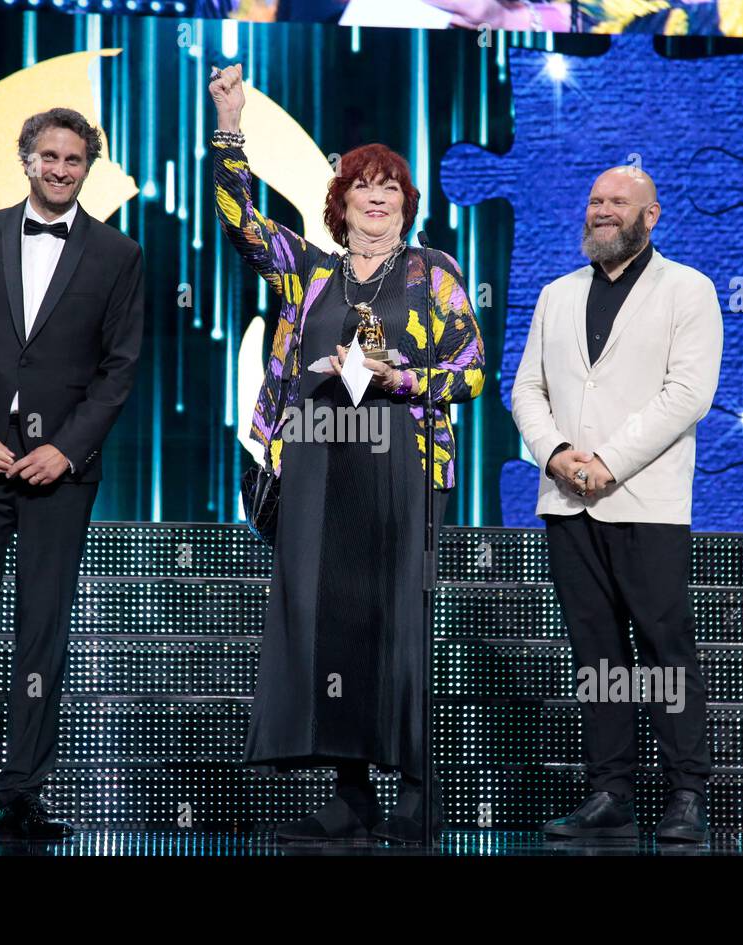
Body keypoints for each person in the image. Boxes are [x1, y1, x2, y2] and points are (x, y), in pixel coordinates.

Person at [209, 64, 485, 843]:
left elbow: (471, 371)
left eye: (390, 187)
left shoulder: (434, 274)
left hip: (403, 467)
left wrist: (402, 376)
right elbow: (238, 220)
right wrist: (230, 123)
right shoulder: (310, 272)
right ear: (340, 202)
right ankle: (351, 791)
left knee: (399, 624)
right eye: (363, 185)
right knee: (332, 625)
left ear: (406, 204)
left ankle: (416, 792)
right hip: (320, 468)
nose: (376, 196)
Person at [0, 107, 145, 840]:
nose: (59, 169)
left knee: (42, 626)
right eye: (48, 155)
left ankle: (23, 789)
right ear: (25, 158)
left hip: (61, 471)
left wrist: (68, 448)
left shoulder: (119, 254)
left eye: (73, 159)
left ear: (88, 167)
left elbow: (118, 371)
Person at [511, 166, 722, 843]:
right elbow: (526, 391)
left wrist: (607, 461)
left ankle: (687, 790)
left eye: (618, 202)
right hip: (568, 501)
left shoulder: (688, 289)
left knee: (664, 648)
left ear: (650, 215)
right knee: (596, 653)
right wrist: (560, 453)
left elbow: (687, 394)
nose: (603, 211)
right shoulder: (556, 294)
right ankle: (611, 788)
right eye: (595, 201)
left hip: (646, 501)